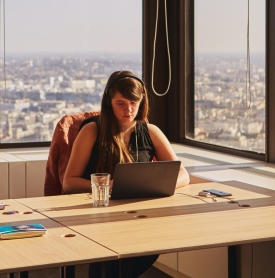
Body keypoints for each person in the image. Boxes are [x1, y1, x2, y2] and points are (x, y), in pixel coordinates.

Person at [62, 70, 190, 277]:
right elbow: (69, 182)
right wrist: (105, 185)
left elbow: (183, 174)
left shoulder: (150, 131)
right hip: (99, 214)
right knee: (115, 263)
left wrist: (160, 184)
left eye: (134, 102)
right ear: (108, 102)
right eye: (121, 103)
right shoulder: (92, 131)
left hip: (139, 213)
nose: (128, 109)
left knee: (151, 245)